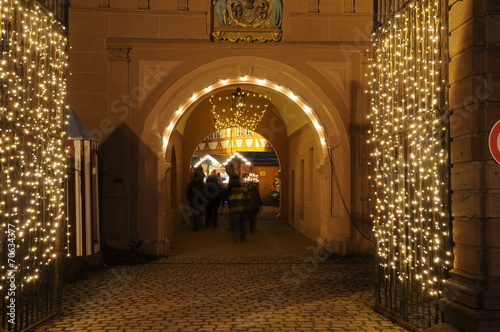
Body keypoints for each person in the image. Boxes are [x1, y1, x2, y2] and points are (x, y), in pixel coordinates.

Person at [227, 176, 250, 243]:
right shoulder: (244, 194)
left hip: (234, 211)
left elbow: (230, 203)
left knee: (235, 225)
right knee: (242, 224)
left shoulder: (232, 195)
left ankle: (235, 238)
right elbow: (247, 202)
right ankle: (242, 237)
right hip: (243, 211)